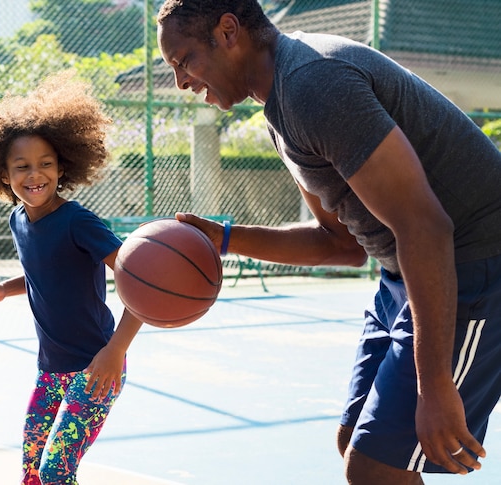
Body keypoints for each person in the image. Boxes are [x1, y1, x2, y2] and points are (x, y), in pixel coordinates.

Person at [156, 1, 501, 484]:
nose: (182, 81)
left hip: (475, 262)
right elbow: (338, 244)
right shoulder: (281, 103)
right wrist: (225, 239)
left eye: (184, 60)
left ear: (228, 31)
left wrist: (435, 384)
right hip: (406, 269)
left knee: (374, 468)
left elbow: (426, 227)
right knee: (355, 442)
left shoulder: (312, 86)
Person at [0, 71, 143, 485]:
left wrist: (115, 351)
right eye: (21, 166)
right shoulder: (18, 220)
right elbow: (43, 272)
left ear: (62, 167)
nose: (34, 174)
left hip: (97, 369)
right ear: (3, 174)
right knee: (31, 470)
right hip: (51, 369)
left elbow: (141, 283)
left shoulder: (78, 221)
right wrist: (3, 290)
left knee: (56, 472)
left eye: (45, 164)